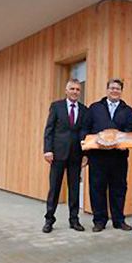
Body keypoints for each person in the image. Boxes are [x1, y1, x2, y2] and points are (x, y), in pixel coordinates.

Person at [82, 78, 132, 232]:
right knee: (97, 188)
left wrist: (122, 140)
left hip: (119, 157)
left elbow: (131, 130)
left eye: (117, 88)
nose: (114, 91)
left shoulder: (127, 110)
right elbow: (85, 129)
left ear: (121, 91)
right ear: (107, 90)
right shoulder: (95, 108)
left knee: (119, 189)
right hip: (98, 157)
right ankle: (99, 221)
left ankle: (119, 220)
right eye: (112, 88)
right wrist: (86, 151)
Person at [42, 79, 88, 233]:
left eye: (77, 89)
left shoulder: (84, 110)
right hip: (58, 154)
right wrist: (47, 150)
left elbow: (85, 133)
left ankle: (74, 220)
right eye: (72, 89)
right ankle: (49, 219)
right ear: (66, 90)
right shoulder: (57, 106)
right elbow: (49, 129)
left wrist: (85, 154)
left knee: (74, 188)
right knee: (54, 188)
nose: (75, 92)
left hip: (76, 155)